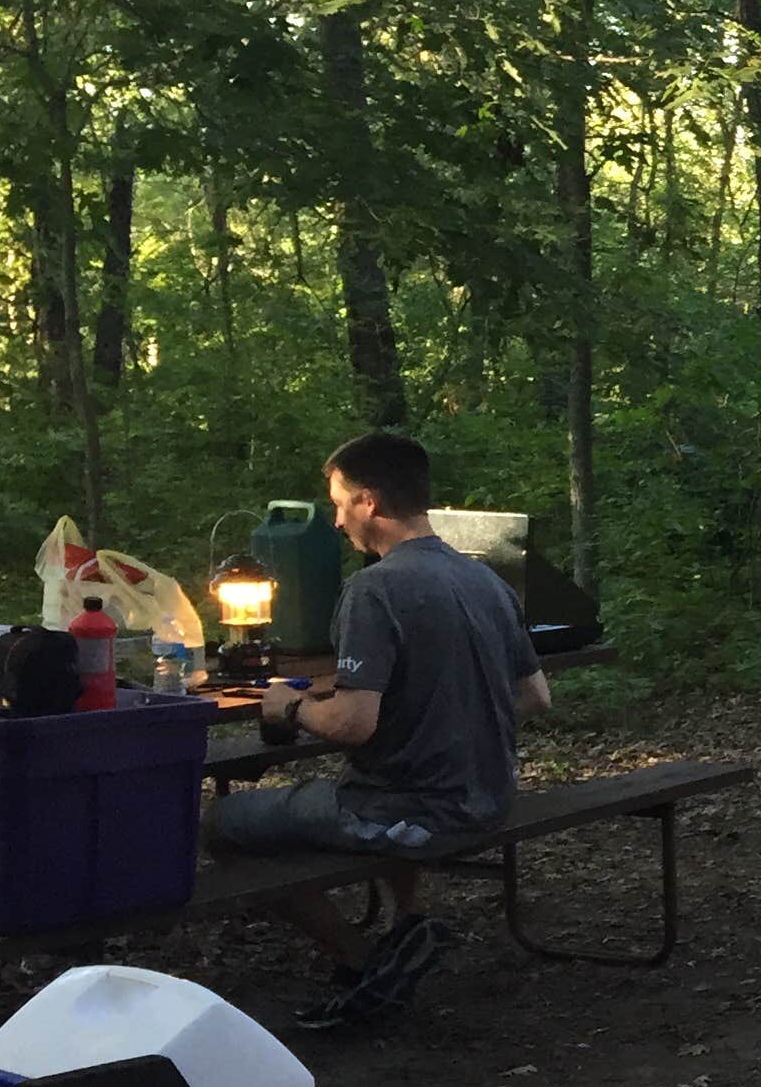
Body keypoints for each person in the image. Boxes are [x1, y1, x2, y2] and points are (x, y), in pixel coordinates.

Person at [208, 431, 550, 1025]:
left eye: (340, 505)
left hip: (408, 811)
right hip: (489, 796)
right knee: (377, 780)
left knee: (220, 824)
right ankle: (404, 928)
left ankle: (361, 961)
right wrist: (432, 715)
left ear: (369, 501)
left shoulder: (374, 588)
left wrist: (287, 707)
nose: (338, 523)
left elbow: (350, 724)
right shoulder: (485, 580)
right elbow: (535, 696)